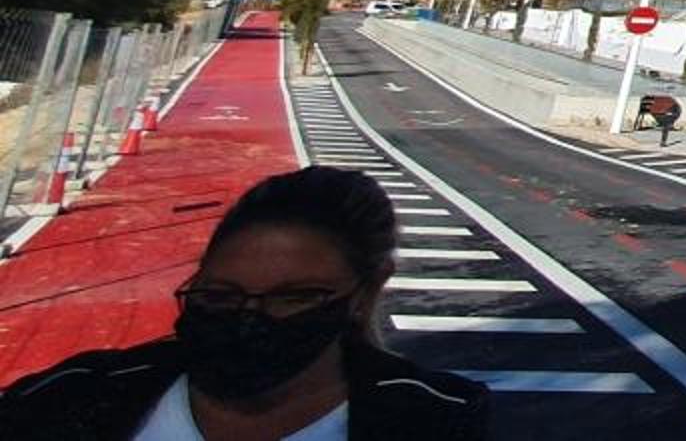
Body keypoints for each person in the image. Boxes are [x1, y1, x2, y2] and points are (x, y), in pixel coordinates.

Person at [0, 166, 490, 439]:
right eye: (220, 294)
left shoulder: (436, 423)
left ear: (365, 292)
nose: (250, 318)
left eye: (295, 297)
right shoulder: (71, 399)